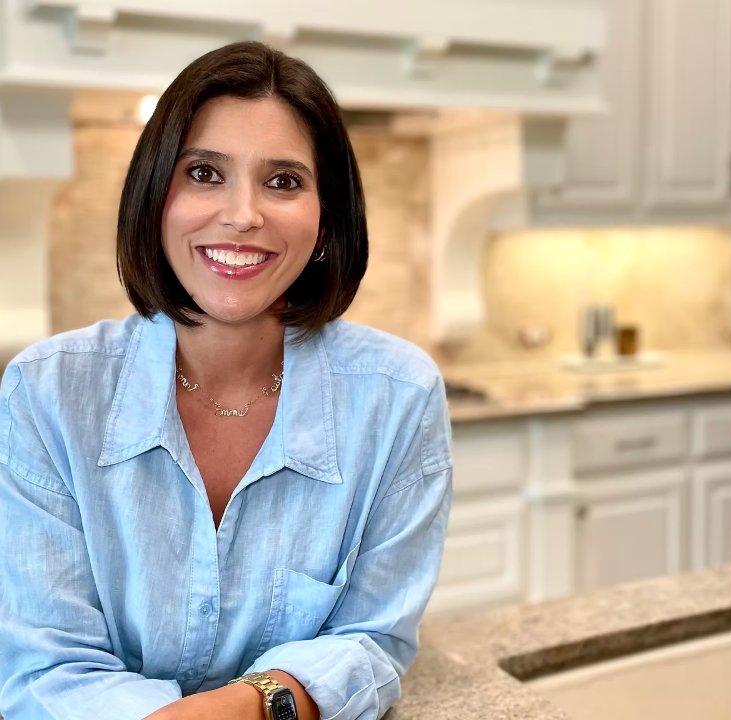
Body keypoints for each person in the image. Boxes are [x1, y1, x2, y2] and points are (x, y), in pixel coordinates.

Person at [0, 41, 452, 720]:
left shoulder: (399, 396)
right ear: (155, 199)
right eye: (205, 172)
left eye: (284, 181)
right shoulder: (47, 393)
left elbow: (372, 639)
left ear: (327, 222)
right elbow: (44, 668)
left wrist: (250, 706)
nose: (243, 214)